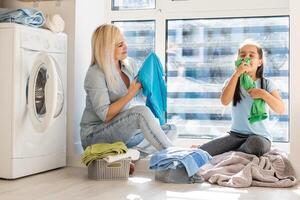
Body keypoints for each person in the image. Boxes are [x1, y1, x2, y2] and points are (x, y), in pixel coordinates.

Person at [80, 24, 175, 152]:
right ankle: (176, 155)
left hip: (119, 130)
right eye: (120, 45)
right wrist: (130, 94)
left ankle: (129, 154)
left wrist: (149, 80)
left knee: (170, 129)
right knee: (140, 113)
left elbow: (141, 96)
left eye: (124, 41)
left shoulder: (129, 65)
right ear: (106, 49)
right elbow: (106, 115)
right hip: (95, 136)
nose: (126, 46)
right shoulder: (95, 73)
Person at [197, 39, 285, 157]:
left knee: (255, 144)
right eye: (242, 55)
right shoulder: (232, 81)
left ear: (260, 62)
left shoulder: (267, 83)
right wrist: (237, 74)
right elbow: (224, 101)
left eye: (251, 55)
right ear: (237, 60)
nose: (246, 58)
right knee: (202, 151)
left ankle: (234, 152)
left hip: (260, 137)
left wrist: (263, 94)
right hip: (235, 135)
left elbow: (280, 109)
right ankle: (238, 150)